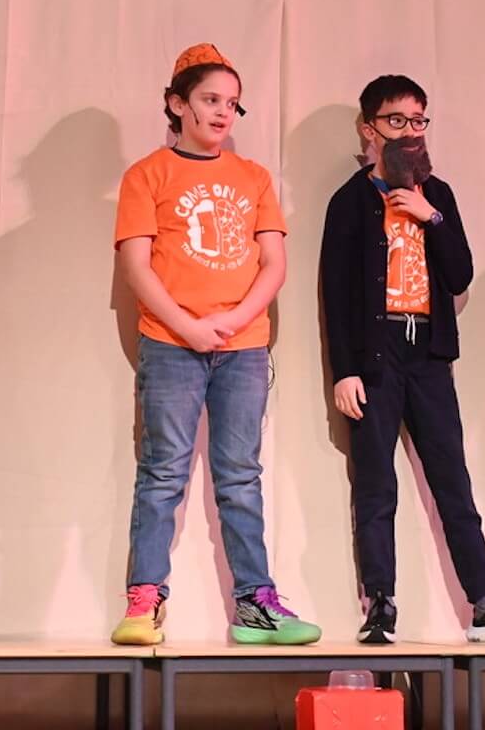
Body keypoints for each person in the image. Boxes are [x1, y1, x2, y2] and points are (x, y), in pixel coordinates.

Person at [321, 74, 485, 644]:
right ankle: (380, 603)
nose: (408, 132)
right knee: (376, 486)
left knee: (452, 480)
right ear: (368, 129)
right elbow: (336, 291)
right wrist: (344, 369)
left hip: (426, 351)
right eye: (395, 121)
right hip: (374, 358)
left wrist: (430, 215)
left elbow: (460, 275)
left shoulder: (437, 194)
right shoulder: (350, 201)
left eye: (418, 121)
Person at [110, 44, 319, 646]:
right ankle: (145, 601)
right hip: (171, 344)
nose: (223, 112)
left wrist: (232, 321)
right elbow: (137, 267)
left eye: (232, 103)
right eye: (209, 100)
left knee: (239, 475)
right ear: (177, 104)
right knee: (162, 473)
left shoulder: (253, 178)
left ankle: (256, 604)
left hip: (243, 347)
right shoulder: (147, 174)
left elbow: (274, 263)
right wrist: (189, 325)